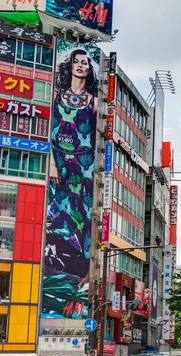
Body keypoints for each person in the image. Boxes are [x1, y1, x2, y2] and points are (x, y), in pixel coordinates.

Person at [45, 44, 99, 298]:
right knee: (56, 213)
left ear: (89, 70)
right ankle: (52, 267)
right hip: (61, 164)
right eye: (76, 61)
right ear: (70, 65)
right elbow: (48, 128)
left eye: (85, 62)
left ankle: (83, 275)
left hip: (85, 168)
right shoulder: (56, 94)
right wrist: (52, 162)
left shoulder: (94, 102)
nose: (80, 65)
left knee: (86, 219)